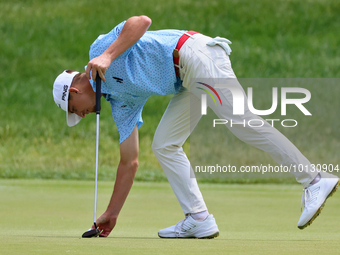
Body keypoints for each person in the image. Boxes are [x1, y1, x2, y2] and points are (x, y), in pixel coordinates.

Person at [52, 15, 339, 238]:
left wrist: (108, 56)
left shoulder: (99, 50)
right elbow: (130, 161)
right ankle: (199, 218)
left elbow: (141, 22)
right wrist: (111, 214)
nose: (84, 115)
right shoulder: (119, 102)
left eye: (77, 112)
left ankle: (314, 180)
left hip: (194, 56)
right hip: (187, 82)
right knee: (163, 144)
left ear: (74, 94)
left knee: (242, 121)